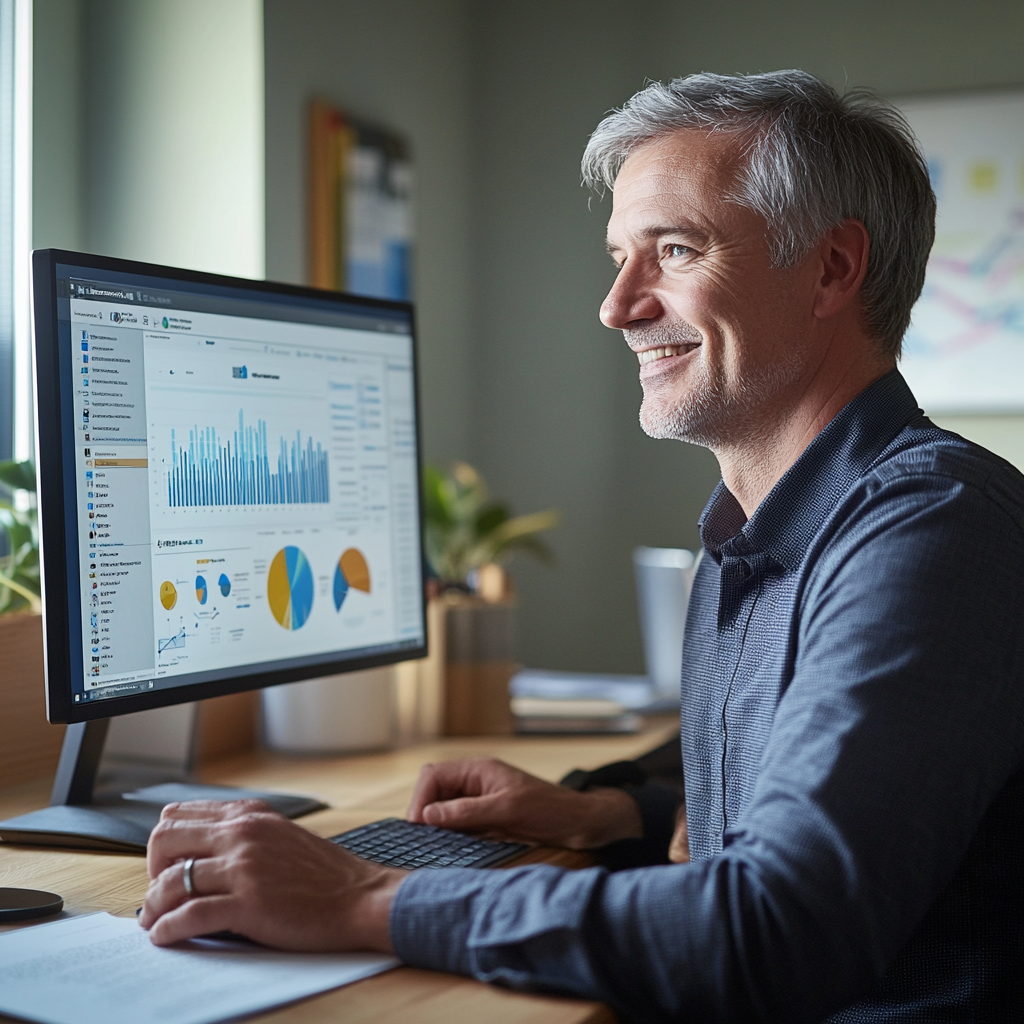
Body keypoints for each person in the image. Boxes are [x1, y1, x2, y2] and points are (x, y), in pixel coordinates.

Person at [140, 71, 1024, 1022]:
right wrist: (608, 816)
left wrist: (362, 899)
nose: (617, 306)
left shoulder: (932, 529)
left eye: (674, 250)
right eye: (618, 257)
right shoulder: (761, 525)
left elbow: (780, 926)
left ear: (831, 268)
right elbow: (817, 818)